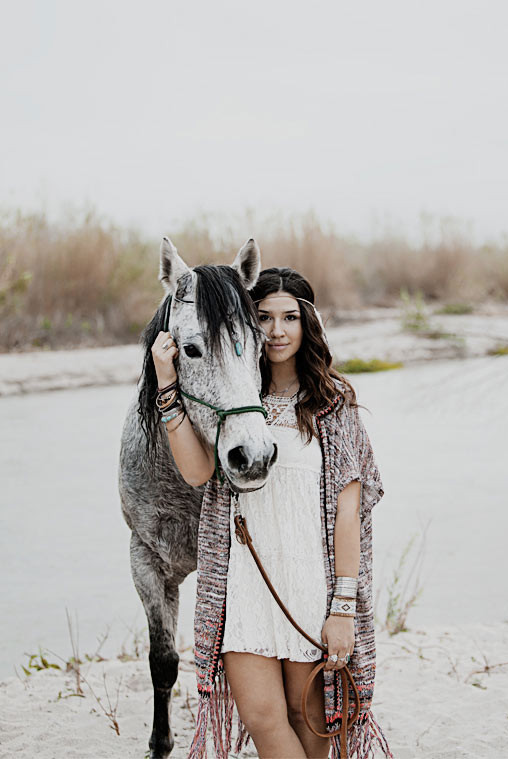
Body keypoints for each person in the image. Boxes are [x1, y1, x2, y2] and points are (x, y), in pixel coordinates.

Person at [152, 266, 392, 759]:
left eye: (289, 318)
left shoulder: (332, 406)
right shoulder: (236, 402)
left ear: (308, 324)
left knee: (309, 717)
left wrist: (342, 610)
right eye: (263, 317)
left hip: (310, 588)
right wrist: (167, 384)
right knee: (262, 718)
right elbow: (199, 474)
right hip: (244, 587)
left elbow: (349, 514)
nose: (277, 331)